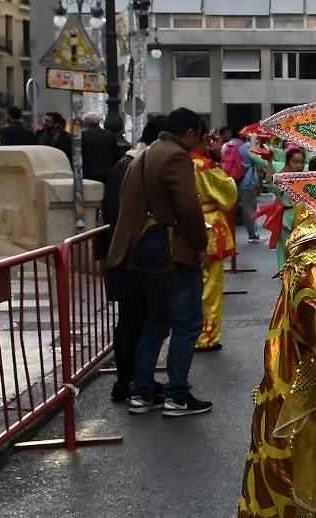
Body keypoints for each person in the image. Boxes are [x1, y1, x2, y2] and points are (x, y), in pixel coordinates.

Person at [105, 108, 211, 417]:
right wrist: (199, 243)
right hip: (171, 252)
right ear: (190, 133)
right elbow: (189, 206)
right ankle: (177, 396)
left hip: (142, 252)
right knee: (187, 324)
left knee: (155, 323)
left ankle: (141, 392)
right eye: (201, 135)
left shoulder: (145, 154)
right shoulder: (176, 156)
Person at [98, 115, 166, 404]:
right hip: (129, 259)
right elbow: (121, 214)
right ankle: (128, 381)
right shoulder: (129, 166)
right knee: (133, 321)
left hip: (131, 256)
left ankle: (135, 379)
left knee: (135, 320)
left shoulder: (135, 165)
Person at [189, 139, 237, 351]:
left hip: (184, 224)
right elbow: (228, 191)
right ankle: (206, 336)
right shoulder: (203, 165)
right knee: (211, 286)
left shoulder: (178, 162)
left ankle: (190, 332)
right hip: (209, 224)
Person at [80, 111, 125, 184]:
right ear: (98, 122)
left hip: (87, 174)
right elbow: (117, 154)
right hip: (107, 172)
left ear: (85, 122)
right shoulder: (109, 134)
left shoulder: (81, 135)